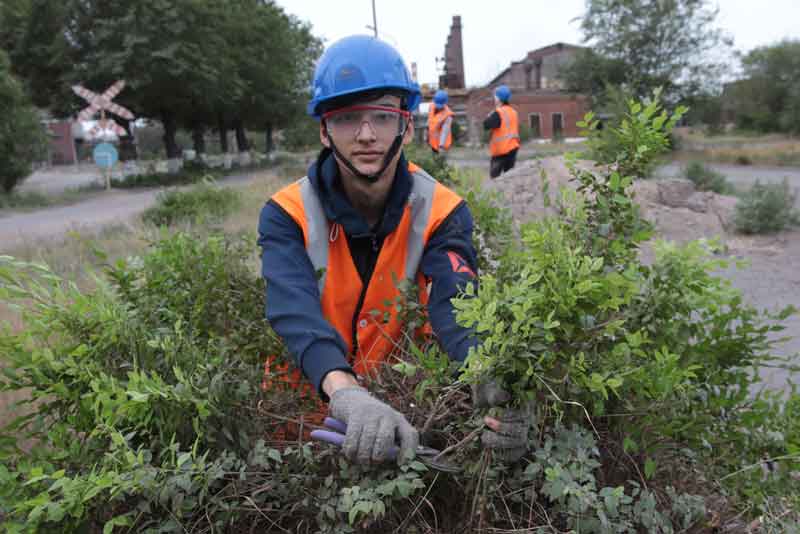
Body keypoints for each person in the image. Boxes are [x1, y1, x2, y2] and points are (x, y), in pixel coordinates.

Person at [258, 35, 529, 466]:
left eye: (381, 117)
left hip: (402, 426)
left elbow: (455, 304)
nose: (366, 135)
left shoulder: (443, 211)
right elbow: (294, 312)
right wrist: (344, 392)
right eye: (348, 118)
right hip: (299, 430)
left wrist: (487, 377)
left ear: (405, 123)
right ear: (324, 130)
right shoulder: (286, 213)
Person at [483, 85, 520, 178]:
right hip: (513, 149)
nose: (494, 98)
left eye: (495, 96)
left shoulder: (498, 113)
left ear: (498, 98)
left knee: (495, 179)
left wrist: (489, 116)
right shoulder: (513, 112)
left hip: (501, 151)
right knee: (510, 178)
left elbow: (486, 125)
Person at [427, 89, 454, 154]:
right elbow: (430, 120)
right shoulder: (431, 106)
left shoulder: (448, 115)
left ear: (445, 103)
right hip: (433, 143)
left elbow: (444, 131)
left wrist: (441, 146)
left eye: (440, 105)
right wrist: (427, 136)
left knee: (441, 163)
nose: (438, 107)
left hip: (442, 145)